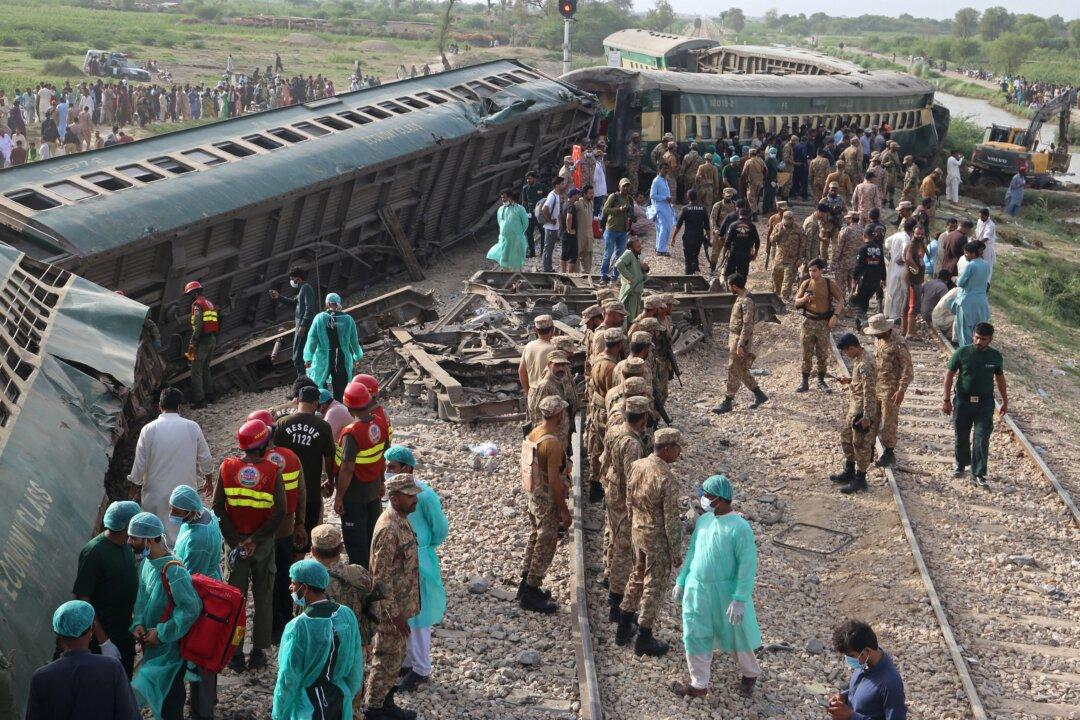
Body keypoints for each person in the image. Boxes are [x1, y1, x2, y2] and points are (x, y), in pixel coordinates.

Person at [671, 475, 761, 700]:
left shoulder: (740, 528)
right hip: (697, 589)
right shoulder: (704, 521)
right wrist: (682, 580)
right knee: (694, 633)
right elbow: (693, 552)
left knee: (736, 635)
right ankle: (699, 684)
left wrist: (740, 598)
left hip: (725, 593)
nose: (702, 498)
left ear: (720, 499)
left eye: (707, 495)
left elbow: (747, 565)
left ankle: (750, 674)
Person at [214, 419, 287, 671]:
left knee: (235, 600)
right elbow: (280, 511)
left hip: (234, 546)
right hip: (262, 544)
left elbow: (218, 507)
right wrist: (254, 540)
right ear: (263, 444)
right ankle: (258, 652)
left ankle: (234, 653)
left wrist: (237, 541)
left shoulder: (227, 467)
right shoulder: (272, 471)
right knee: (264, 596)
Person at [383, 446, 448, 692]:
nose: (387, 471)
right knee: (404, 612)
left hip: (419, 559)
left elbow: (440, 529)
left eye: (391, 467)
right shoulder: (393, 493)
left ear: (407, 469)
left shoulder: (425, 495)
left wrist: (423, 547)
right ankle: (409, 661)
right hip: (402, 560)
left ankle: (421, 668)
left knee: (419, 615)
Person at [128, 512, 202, 720]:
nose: (129, 542)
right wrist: (138, 622)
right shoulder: (147, 563)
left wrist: (161, 633)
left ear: (149, 540)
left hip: (171, 650)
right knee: (158, 699)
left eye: (134, 538)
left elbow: (190, 609)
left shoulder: (174, 572)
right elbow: (142, 598)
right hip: (154, 648)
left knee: (170, 701)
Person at [617, 428, 684, 657]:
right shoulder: (666, 478)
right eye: (677, 447)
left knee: (636, 576)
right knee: (654, 585)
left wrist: (633, 524)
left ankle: (623, 625)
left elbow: (628, 500)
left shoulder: (637, 465)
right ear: (666, 449)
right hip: (656, 539)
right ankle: (644, 637)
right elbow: (671, 519)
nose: (679, 452)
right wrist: (676, 551)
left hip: (638, 530)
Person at [273, 559, 364, 720]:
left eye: (293, 583)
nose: (290, 587)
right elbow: (356, 665)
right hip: (340, 699)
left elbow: (288, 677)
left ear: (305, 588)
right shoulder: (346, 615)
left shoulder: (298, 626)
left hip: (308, 706)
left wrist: (279, 714)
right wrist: (347, 694)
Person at [363, 475, 422, 720]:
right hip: (390, 611)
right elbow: (380, 578)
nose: (415, 499)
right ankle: (374, 708)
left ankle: (385, 701)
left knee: (395, 657)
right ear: (394, 498)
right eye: (409, 496)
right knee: (386, 657)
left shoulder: (401, 519)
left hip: (401, 606)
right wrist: (394, 614)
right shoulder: (389, 529)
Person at [248, 410, 308, 645]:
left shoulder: (255, 464)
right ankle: (285, 620)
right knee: (284, 574)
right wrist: (300, 524)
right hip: (287, 528)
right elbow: (301, 493)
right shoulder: (291, 457)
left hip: (262, 531)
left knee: (265, 579)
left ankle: (269, 626)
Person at [25, 600, 140, 720]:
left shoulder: (41, 677)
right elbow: (129, 715)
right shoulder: (111, 668)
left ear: (57, 633)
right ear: (92, 629)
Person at [127, 387, 213, 544]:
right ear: (179, 407)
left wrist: (134, 488)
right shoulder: (192, 427)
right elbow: (205, 457)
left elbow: (139, 463)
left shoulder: (148, 430)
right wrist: (209, 480)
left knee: (155, 537)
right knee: (184, 536)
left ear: (159, 406)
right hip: (183, 492)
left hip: (155, 493)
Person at [168, 485, 223, 720]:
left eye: (177, 511)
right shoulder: (204, 514)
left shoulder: (197, 539)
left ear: (189, 510)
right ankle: (205, 699)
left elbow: (189, 580)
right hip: (210, 586)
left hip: (202, 597)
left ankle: (202, 710)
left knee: (201, 652)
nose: (173, 514)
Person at [72, 500, 141, 678]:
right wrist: (104, 642)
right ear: (126, 525)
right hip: (104, 637)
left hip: (124, 632)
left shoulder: (125, 545)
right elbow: (83, 598)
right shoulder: (94, 552)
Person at [519, 395, 571, 613]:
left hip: (534, 496)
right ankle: (531, 592)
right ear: (558, 414)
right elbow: (555, 481)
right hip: (547, 501)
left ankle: (525, 583)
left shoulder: (534, 433)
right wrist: (564, 510)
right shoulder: (552, 443)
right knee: (546, 543)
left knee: (535, 538)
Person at [600, 394, 649, 624]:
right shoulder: (633, 445)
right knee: (624, 548)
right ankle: (616, 600)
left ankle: (608, 575)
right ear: (642, 418)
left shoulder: (614, 430)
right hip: (622, 497)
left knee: (612, 534)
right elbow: (632, 481)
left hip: (611, 489)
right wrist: (636, 509)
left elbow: (605, 459)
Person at [333, 381, 391, 569]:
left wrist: (339, 497)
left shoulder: (351, 433)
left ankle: (361, 579)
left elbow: (347, 468)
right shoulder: (381, 422)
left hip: (354, 496)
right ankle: (374, 572)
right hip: (373, 491)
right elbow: (382, 456)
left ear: (349, 408)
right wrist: (381, 481)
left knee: (356, 543)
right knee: (372, 536)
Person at [943, 322, 1007, 489]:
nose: (979, 341)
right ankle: (961, 465)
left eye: (983, 339)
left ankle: (978, 473)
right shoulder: (962, 352)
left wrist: (1005, 401)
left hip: (985, 403)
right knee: (961, 435)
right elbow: (949, 376)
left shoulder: (995, 356)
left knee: (981, 437)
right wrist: (946, 400)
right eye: (977, 337)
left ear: (990, 339)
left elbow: (1000, 379)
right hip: (963, 401)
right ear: (973, 336)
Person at [276, 385, 336, 548]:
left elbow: (273, 455)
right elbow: (329, 459)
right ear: (316, 403)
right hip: (311, 492)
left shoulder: (282, 423)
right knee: (306, 537)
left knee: (283, 538)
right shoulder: (323, 426)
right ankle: (301, 558)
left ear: (298, 401)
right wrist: (330, 481)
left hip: (284, 491)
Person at [827, 620, 907, 720]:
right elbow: (863, 692)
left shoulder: (890, 684)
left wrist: (851, 716)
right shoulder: (865, 662)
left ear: (867, 651)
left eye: (852, 655)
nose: (848, 660)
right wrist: (843, 697)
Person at [863, 314, 913, 469]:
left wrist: (901, 390)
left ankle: (889, 452)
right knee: (872, 418)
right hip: (877, 386)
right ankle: (869, 448)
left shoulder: (899, 344)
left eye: (877, 332)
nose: (875, 335)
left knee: (889, 422)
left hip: (891, 389)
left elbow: (907, 369)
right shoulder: (878, 340)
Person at [830, 333, 877, 494]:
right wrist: (849, 381)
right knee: (847, 437)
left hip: (861, 409)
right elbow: (861, 383)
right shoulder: (860, 358)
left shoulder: (865, 364)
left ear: (852, 348)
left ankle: (860, 478)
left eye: (846, 351)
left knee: (860, 444)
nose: (846, 355)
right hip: (855, 406)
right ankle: (849, 470)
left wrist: (867, 416)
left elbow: (869, 392)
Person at [713, 274, 767, 413]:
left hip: (740, 339)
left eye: (729, 286)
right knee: (741, 369)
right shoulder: (741, 297)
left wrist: (741, 344)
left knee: (733, 368)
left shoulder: (746, 301)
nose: (728, 288)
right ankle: (759, 395)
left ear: (734, 286)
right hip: (736, 337)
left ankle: (728, 401)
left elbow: (747, 325)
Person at [794, 259, 844, 393]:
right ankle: (804, 382)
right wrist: (804, 299)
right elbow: (796, 302)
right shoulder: (806, 283)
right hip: (809, 322)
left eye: (814, 270)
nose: (812, 273)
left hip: (823, 323)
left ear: (821, 270)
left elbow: (841, 299)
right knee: (806, 353)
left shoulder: (828, 284)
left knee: (822, 354)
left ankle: (821, 381)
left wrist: (835, 316)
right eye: (810, 270)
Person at [304, 293, 363, 401]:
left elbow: (312, 339)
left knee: (319, 383)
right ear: (338, 303)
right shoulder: (348, 319)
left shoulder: (319, 318)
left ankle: (323, 404)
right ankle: (340, 407)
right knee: (341, 386)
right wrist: (357, 355)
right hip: (342, 357)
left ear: (327, 303)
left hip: (323, 357)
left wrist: (308, 358)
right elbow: (354, 340)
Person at [270, 267, 318, 378]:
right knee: (301, 356)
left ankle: (303, 382)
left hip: (303, 327)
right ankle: (307, 380)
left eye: (292, 279)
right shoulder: (302, 290)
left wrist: (303, 325)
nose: (291, 281)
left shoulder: (306, 288)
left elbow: (310, 308)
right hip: (301, 326)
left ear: (298, 278)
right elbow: (293, 303)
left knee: (298, 357)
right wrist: (278, 297)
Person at [183, 281, 220, 407]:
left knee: (196, 371)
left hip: (202, 341)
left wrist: (192, 342)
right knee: (205, 368)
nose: (189, 298)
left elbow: (198, 326)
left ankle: (199, 400)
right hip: (212, 339)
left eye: (190, 295)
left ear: (194, 294)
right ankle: (210, 396)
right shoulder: (209, 303)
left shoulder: (197, 305)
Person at [950, 242, 991, 346]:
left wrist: (954, 279)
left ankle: (965, 351)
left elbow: (960, 283)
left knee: (965, 332)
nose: (965, 256)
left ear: (973, 254)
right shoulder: (986, 264)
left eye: (966, 253)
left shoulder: (970, 265)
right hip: (981, 301)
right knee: (977, 331)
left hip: (967, 302)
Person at [600, 178, 634, 284]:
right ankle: (603, 276)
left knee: (620, 256)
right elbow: (605, 210)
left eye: (628, 186)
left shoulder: (630, 199)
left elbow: (631, 214)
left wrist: (632, 217)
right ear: (619, 187)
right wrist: (619, 210)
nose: (626, 188)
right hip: (611, 229)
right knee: (608, 254)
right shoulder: (613, 196)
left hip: (623, 231)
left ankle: (614, 278)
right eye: (624, 186)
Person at [488, 187, 529, 271]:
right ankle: (507, 277)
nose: (503, 200)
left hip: (516, 240)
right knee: (504, 261)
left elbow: (525, 224)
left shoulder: (519, 209)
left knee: (516, 261)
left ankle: (516, 277)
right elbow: (500, 222)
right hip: (504, 240)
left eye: (504, 197)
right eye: (502, 198)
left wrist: (517, 233)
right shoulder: (500, 209)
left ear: (510, 197)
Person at [674, 188, 710, 274]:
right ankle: (695, 271)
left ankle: (688, 275)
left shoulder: (685, 209)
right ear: (696, 197)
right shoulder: (703, 209)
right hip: (699, 237)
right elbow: (707, 225)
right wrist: (708, 237)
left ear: (688, 197)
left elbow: (678, 225)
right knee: (695, 254)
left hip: (688, 237)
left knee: (688, 258)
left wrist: (674, 236)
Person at [518, 314, 556, 395]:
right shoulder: (553, 349)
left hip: (533, 392)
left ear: (535, 330)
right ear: (553, 329)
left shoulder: (528, 346)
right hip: (549, 395)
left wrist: (528, 392)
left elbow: (521, 372)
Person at [615, 235, 648, 322]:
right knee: (629, 318)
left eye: (640, 246)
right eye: (638, 247)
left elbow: (638, 272)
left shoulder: (636, 256)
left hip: (636, 292)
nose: (641, 248)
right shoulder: (629, 253)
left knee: (634, 318)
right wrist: (630, 278)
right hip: (631, 293)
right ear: (631, 248)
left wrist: (645, 269)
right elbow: (619, 264)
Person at [722, 207, 760, 280]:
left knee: (729, 274)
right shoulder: (752, 226)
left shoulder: (733, 225)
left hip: (733, 253)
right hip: (746, 254)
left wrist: (724, 255)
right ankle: (741, 286)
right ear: (748, 215)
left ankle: (729, 286)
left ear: (739, 215)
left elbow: (727, 242)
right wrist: (755, 253)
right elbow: (757, 241)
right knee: (743, 275)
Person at [539, 176, 565, 272]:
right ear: (557, 185)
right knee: (548, 248)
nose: (563, 185)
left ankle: (548, 267)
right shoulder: (552, 196)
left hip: (554, 227)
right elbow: (544, 209)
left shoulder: (557, 195)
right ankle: (546, 268)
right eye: (562, 184)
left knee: (550, 248)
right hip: (550, 227)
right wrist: (549, 220)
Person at [649, 164, 676, 255]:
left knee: (661, 228)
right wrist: (665, 198)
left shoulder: (664, 180)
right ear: (660, 169)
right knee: (664, 228)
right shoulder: (656, 181)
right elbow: (652, 195)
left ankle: (658, 247)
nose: (666, 171)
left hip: (665, 207)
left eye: (667, 169)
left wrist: (668, 199)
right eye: (664, 169)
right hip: (660, 208)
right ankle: (661, 250)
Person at [974, 207, 997, 279]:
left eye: (982, 217)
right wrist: (974, 238)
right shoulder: (979, 221)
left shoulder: (991, 225)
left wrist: (977, 244)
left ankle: (987, 280)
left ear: (987, 216)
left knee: (986, 263)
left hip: (986, 246)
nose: (981, 218)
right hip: (978, 243)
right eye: (980, 216)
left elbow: (986, 237)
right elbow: (977, 231)